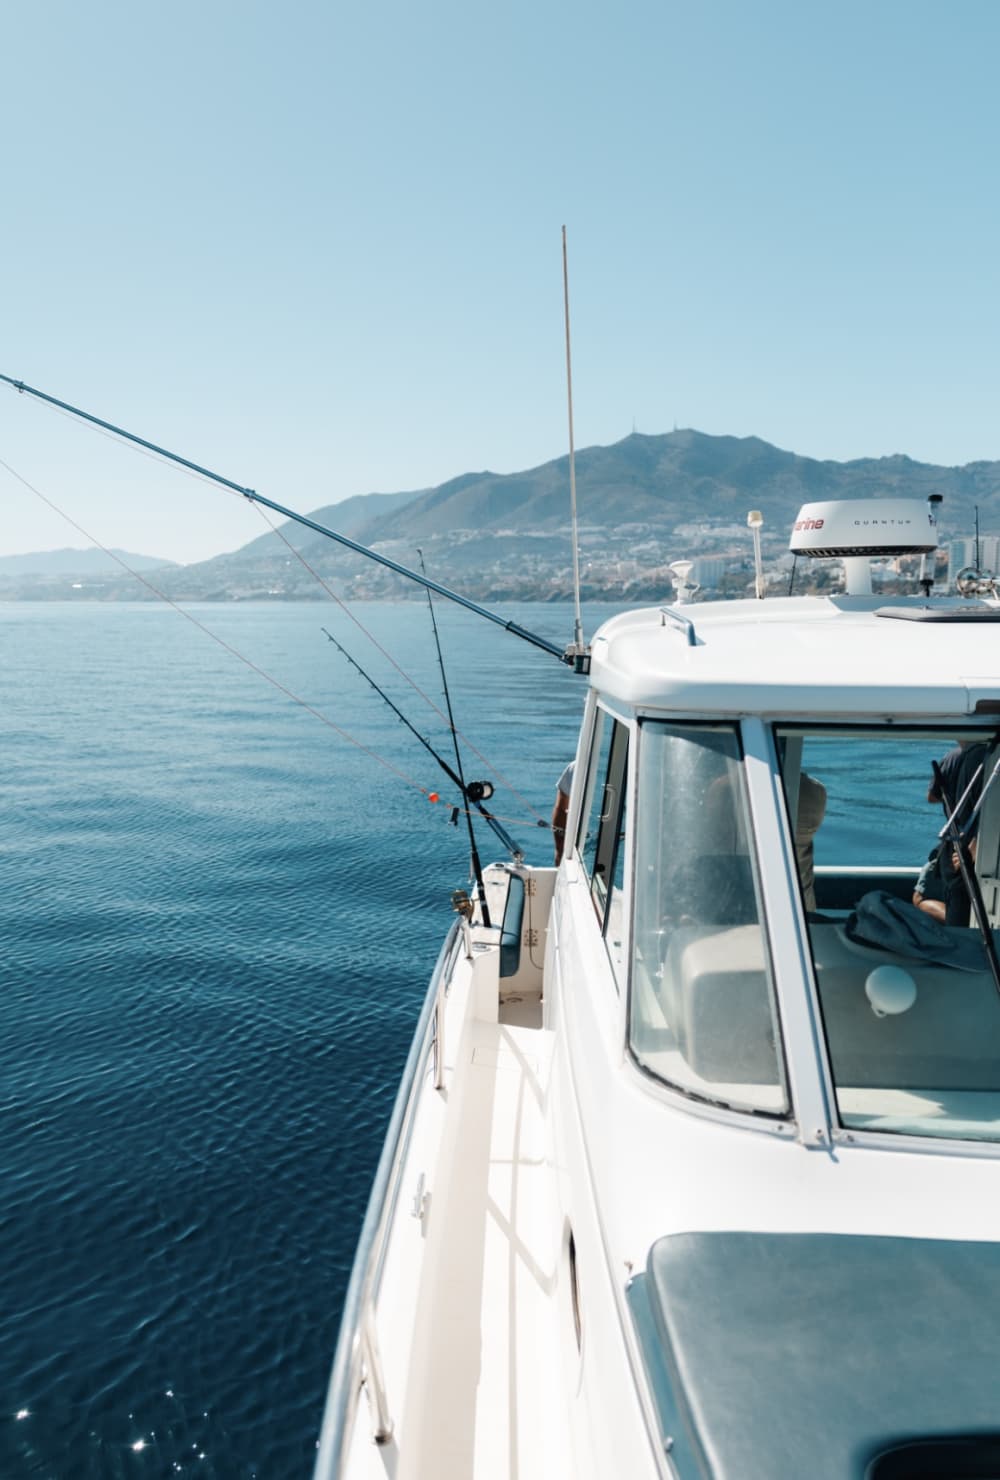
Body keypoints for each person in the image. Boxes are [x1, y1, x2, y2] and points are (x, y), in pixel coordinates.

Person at [913, 740, 987, 926]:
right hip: (965, 847)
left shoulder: (955, 757)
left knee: (919, 899)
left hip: (960, 849)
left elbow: (932, 796)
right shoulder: (984, 756)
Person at [552, 761, 575, 865]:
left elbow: (561, 808)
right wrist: (560, 850)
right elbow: (561, 809)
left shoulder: (577, 766)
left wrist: (560, 851)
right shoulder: (575, 767)